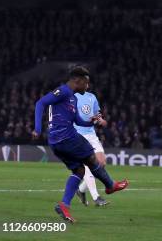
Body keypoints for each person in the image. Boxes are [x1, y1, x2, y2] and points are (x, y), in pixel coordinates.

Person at [33, 66, 128, 223]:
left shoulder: (73, 97)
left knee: (79, 170)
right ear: (78, 80)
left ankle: (64, 205)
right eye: (86, 83)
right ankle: (110, 185)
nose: (88, 86)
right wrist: (37, 128)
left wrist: (89, 121)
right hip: (65, 136)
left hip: (57, 142)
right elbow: (40, 103)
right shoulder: (63, 91)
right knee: (91, 158)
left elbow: (77, 120)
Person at [74, 84, 109, 206]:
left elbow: (97, 115)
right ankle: (96, 197)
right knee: (89, 165)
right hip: (78, 135)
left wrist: (100, 120)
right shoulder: (72, 97)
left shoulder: (92, 97)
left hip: (91, 135)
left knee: (101, 163)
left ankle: (81, 190)